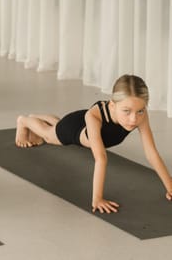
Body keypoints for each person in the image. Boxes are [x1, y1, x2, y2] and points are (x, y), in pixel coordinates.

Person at [15, 74, 172, 213]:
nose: (134, 119)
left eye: (140, 111)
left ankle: (43, 118)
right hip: (73, 128)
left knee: (56, 126)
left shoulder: (139, 114)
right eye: (126, 111)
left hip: (79, 125)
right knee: (48, 137)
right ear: (112, 105)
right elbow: (101, 158)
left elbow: (151, 153)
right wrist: (97, 199)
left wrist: (170, 186)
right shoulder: (94, 115)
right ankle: (24, 121)